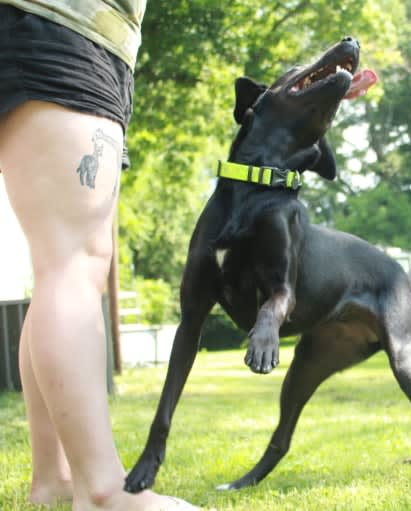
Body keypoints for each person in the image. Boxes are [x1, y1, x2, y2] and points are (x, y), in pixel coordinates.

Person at [0, 2, 201, 509]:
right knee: (73, 263)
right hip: (56, 23)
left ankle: (56, 480)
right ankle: (103, 491)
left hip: (87, 35)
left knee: (62, 264)